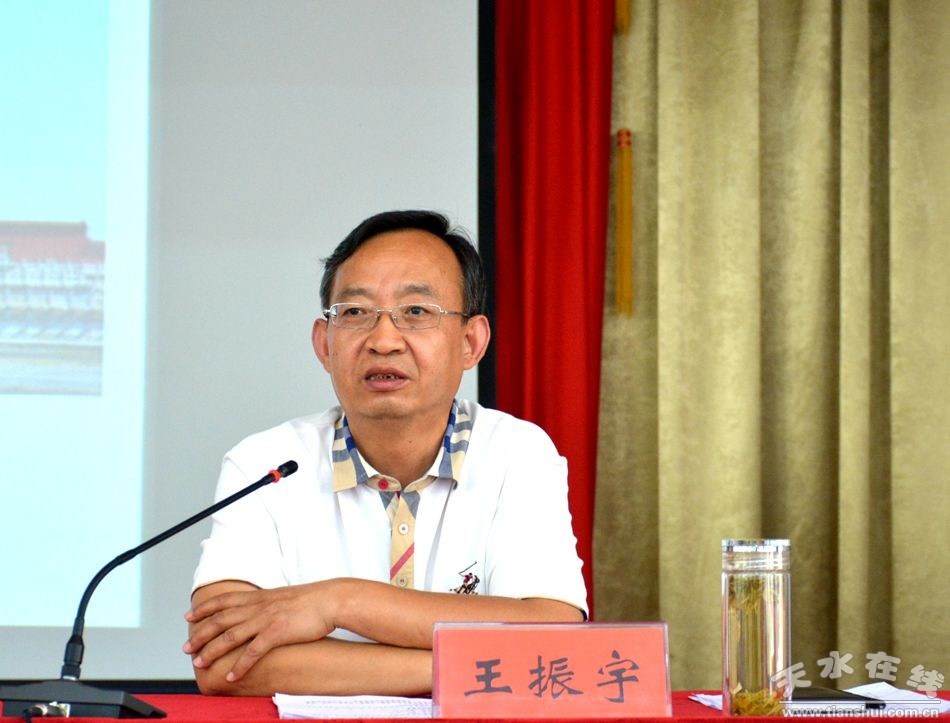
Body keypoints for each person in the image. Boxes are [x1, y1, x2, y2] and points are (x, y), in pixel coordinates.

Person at [184, 210, 587, 696]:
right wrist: (465, 668)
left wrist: (339, 602)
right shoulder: (266, 464)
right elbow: (224, 658)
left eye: (416, 312)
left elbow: (553, 634)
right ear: (324, 344)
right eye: (355, 313)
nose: (383, 340)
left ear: (471, 342)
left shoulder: (517, 453)